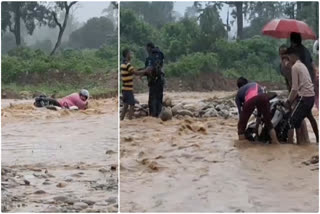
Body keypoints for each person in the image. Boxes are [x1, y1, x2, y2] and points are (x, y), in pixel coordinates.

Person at [285, 47, 317, 144]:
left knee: (292, 121)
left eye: (289, 57)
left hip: (304, 97)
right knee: (309, 117)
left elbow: (294, 88)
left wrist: (288, 101)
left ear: (293, 56)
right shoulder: (302, 65)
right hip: (311, 97)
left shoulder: (295, 67)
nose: (289, 60)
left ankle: (296, 144)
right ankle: (317, 140)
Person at [235, 77, 280, 144]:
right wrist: (258, 118)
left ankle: (243, 146)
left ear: (239, 86)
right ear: (247, 83)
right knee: (268, 122)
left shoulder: (239, 92)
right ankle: (275, 142)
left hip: (250, 100)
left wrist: (241, 123)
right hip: (264, 97)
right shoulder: (254, 84)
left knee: (241, 127)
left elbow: (240, 112)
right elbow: (259, 100)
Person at [120, 49, 150, 120]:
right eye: (130, 54)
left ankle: (122, 120)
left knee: (125, 106)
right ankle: (130, 120)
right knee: (132, 104)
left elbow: (134, 71)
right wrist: (146, 70)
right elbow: (135, 72)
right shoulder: (128, 65)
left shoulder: (123, 64)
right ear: (127, 55)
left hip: (124, 89)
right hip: (128, 89)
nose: (131, 55)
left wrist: (142, 70)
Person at [144, 42, 165, 117]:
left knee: (153, 98)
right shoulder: (160, 54)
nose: (146, 50)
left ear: (149, 47)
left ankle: (153, 116)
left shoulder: (150, 57)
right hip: (161, 79)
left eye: (146, 48)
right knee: (159, 97)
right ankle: (159, 114)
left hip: (153, 81)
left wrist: (140, 73)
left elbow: (149, 69)